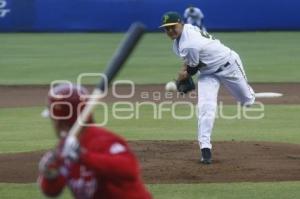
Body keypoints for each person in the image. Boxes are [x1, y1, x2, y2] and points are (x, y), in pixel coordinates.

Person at [160, 12, 255, 164]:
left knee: (247, 101)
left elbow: (191, 69)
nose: (170, 31)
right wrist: (182, 74)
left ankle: (249, 93)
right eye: (166, 28)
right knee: (205, 107)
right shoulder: (182, 38)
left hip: (229, 66)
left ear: (181, 24)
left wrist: (179, 80)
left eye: (173, 27)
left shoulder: (188, 43)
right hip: (208, 73)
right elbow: (189, 63)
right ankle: (205, 149)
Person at [38, 83, 152, 199]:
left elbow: (129, 170)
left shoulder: (102, 140)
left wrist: (83, 157)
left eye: (54, 118)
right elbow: (52, 192)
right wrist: (50, 174)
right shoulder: (65, 147)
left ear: (61, 121)